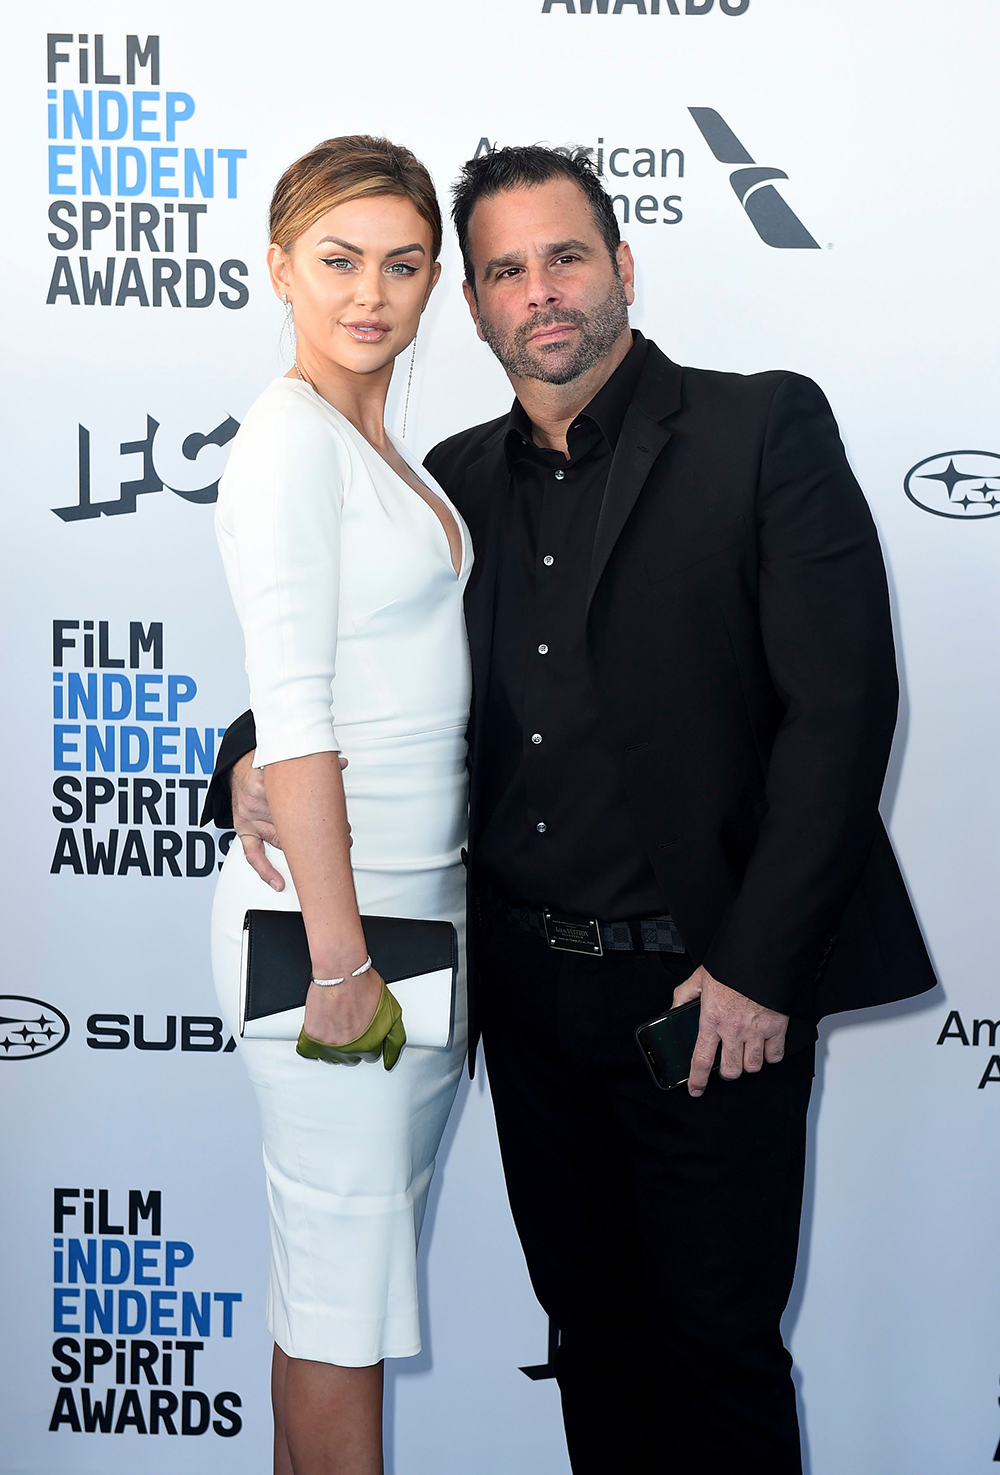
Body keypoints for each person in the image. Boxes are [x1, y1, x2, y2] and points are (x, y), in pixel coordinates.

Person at [206, 146, 935, 1473]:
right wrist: (240, 762)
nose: (539, 291)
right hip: (530, 1006)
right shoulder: (453, 479)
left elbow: (842, 719)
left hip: (710, 996)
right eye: (502, 270)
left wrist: (758, 972)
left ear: (622, 266)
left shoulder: (760, 426)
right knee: (592, 1345)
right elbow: (356, 674)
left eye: (565, 256)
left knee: (718, 1354)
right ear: (472, 309)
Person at [209, 135, 472, 1475]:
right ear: (278, 270)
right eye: (337, 261)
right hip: (342, 944)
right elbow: (298, 719)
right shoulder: (286, 442)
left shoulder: (376, 446)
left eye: (402, 264)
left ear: (434, 282)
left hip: (411, 917)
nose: (370, 293)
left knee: (339, 1293)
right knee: (338, 1312)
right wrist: (340, 961)